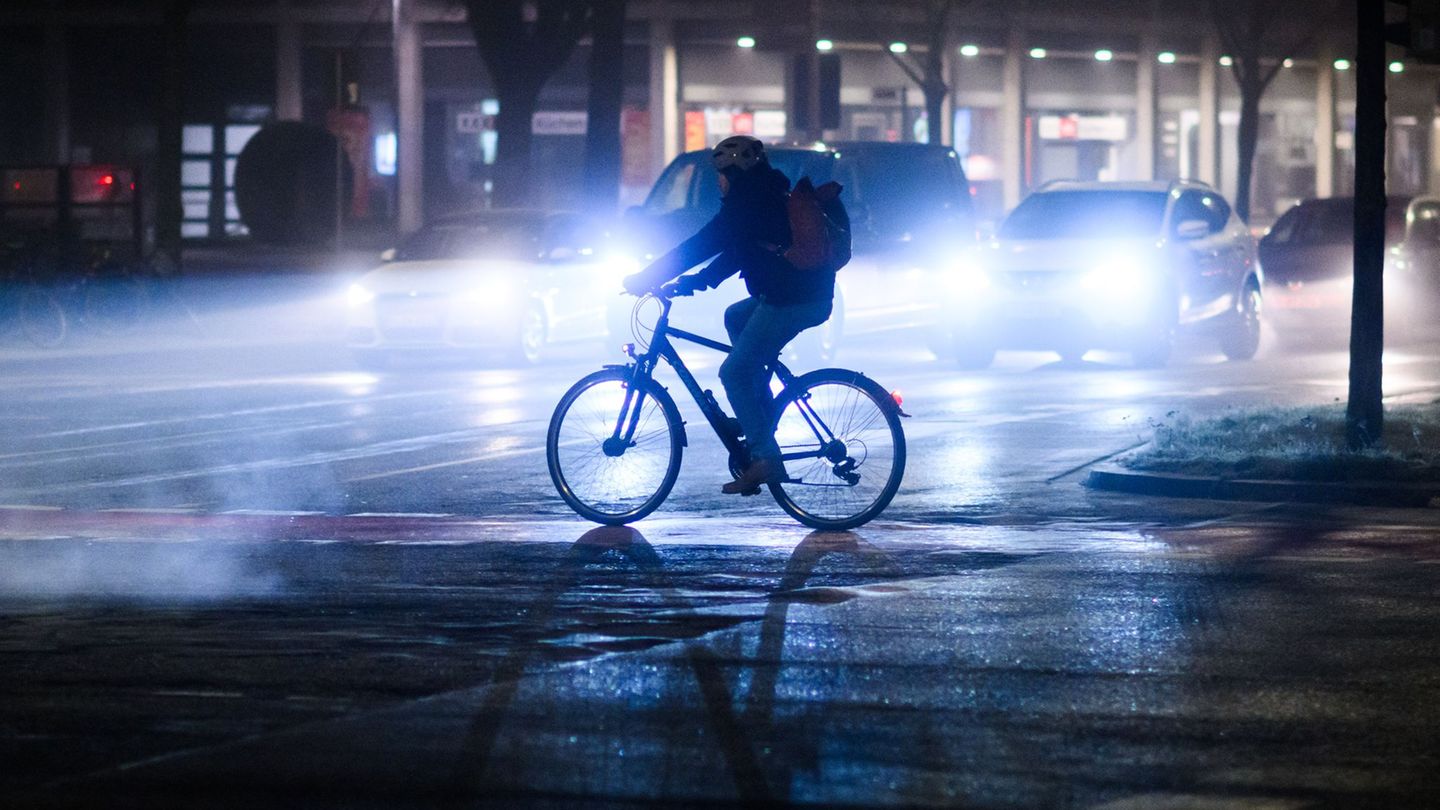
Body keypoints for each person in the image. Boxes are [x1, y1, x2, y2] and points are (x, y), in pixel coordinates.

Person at [623, 135, 837, 495]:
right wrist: (694, 283)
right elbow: (738, 252)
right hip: (798, 292)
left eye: (720, 174)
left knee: (734, 372)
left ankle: (765, 456)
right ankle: (761, 412)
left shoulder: (747, 202)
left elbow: (703, 244)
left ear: (733, 172)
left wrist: (648, 277)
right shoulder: (763, 195)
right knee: (736, 318)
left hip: (793, 299)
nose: (719, 182)